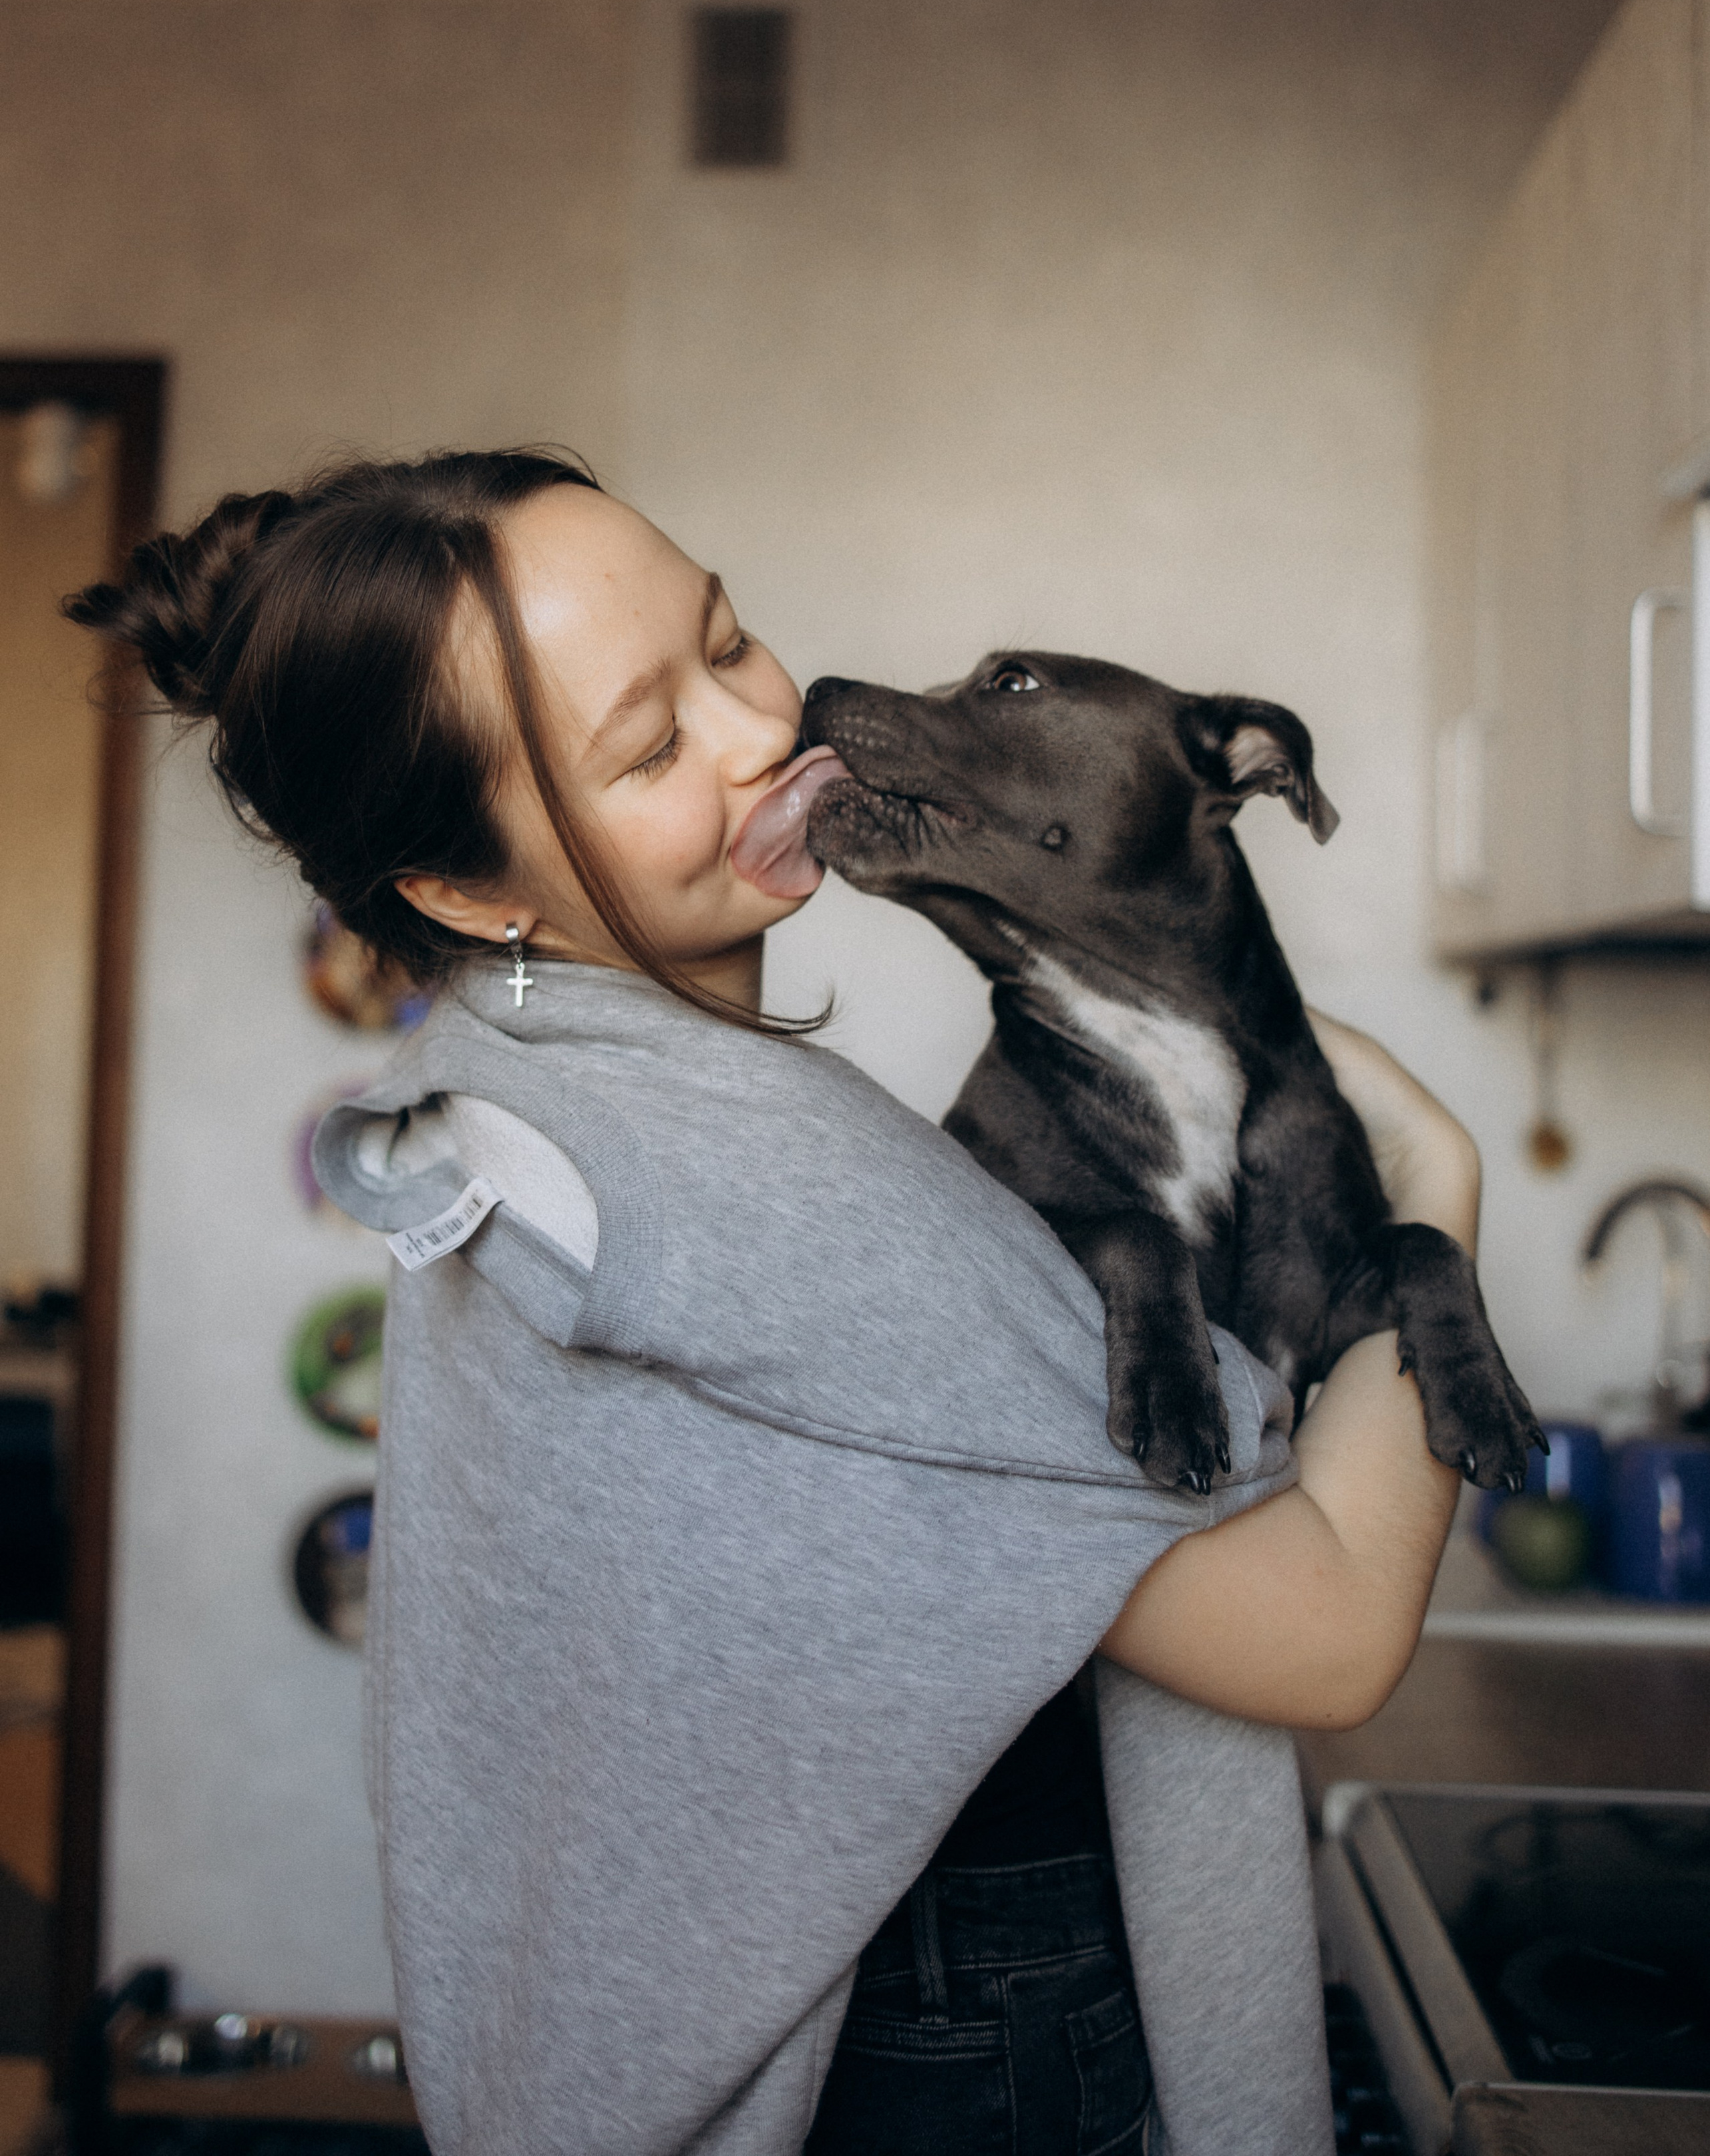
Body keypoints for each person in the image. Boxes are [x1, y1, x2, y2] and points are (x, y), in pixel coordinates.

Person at [70, 450, 1470, 2156]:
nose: (757, 733)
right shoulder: (750, 1182)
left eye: (726, 642)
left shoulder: (526, 1071)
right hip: (945, 2032)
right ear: (465, 891)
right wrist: (1434, 1182)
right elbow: (1319, 1632)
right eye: (649, 746)